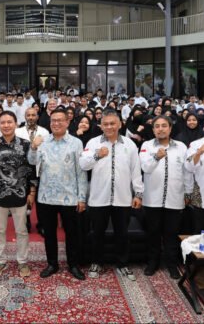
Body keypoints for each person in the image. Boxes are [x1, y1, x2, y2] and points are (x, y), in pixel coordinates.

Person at [79, 109, 143, 281]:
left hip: (123, 197)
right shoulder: (93, 142)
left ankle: (122, 264)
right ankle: (97, 262)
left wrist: (138, 193)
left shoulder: (129, 144)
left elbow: (136, 170)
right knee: (97, 233)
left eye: (112, 123)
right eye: (105, 124)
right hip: (99, 197)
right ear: (100, 126)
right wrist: (97, 155)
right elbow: (83, 164)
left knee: (122, 233)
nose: (109, 127)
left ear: (120, 124)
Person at [28, 108, 88, 280]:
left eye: (60, 120)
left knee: (72, 233)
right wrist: (33, 147)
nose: (56, 123)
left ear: (67, 122)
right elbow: (32, 161)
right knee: (49, 233)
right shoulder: (43, 141)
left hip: (70, 196)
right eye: (53, 120)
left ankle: (73, 264)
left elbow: (81, 172)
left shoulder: (76, 143)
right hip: (46, 196)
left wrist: (81, 197)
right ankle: (52, 264)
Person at [0, 111, 36, 278]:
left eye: (9, 122)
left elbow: (32, 169)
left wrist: (32, 192)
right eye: (3, 122)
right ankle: (0, 261)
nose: (6, 125)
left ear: (16, 123)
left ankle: (22, 262)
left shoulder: (25, 144)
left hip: (20, 195)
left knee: (22, 231)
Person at [139, 116, 190, 279]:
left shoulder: (181, 147)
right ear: (153, 129)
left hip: (175, 197)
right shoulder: (146, 146)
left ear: (170, 128)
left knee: (171, 233)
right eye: (157, 126)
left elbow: (187, 172)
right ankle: (152, 262)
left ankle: (172, 264)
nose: (160, 129)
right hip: (152, 198)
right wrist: (156, 157)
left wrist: (188, 192)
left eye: (164, 126)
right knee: (153, 233)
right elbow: (145, 168)